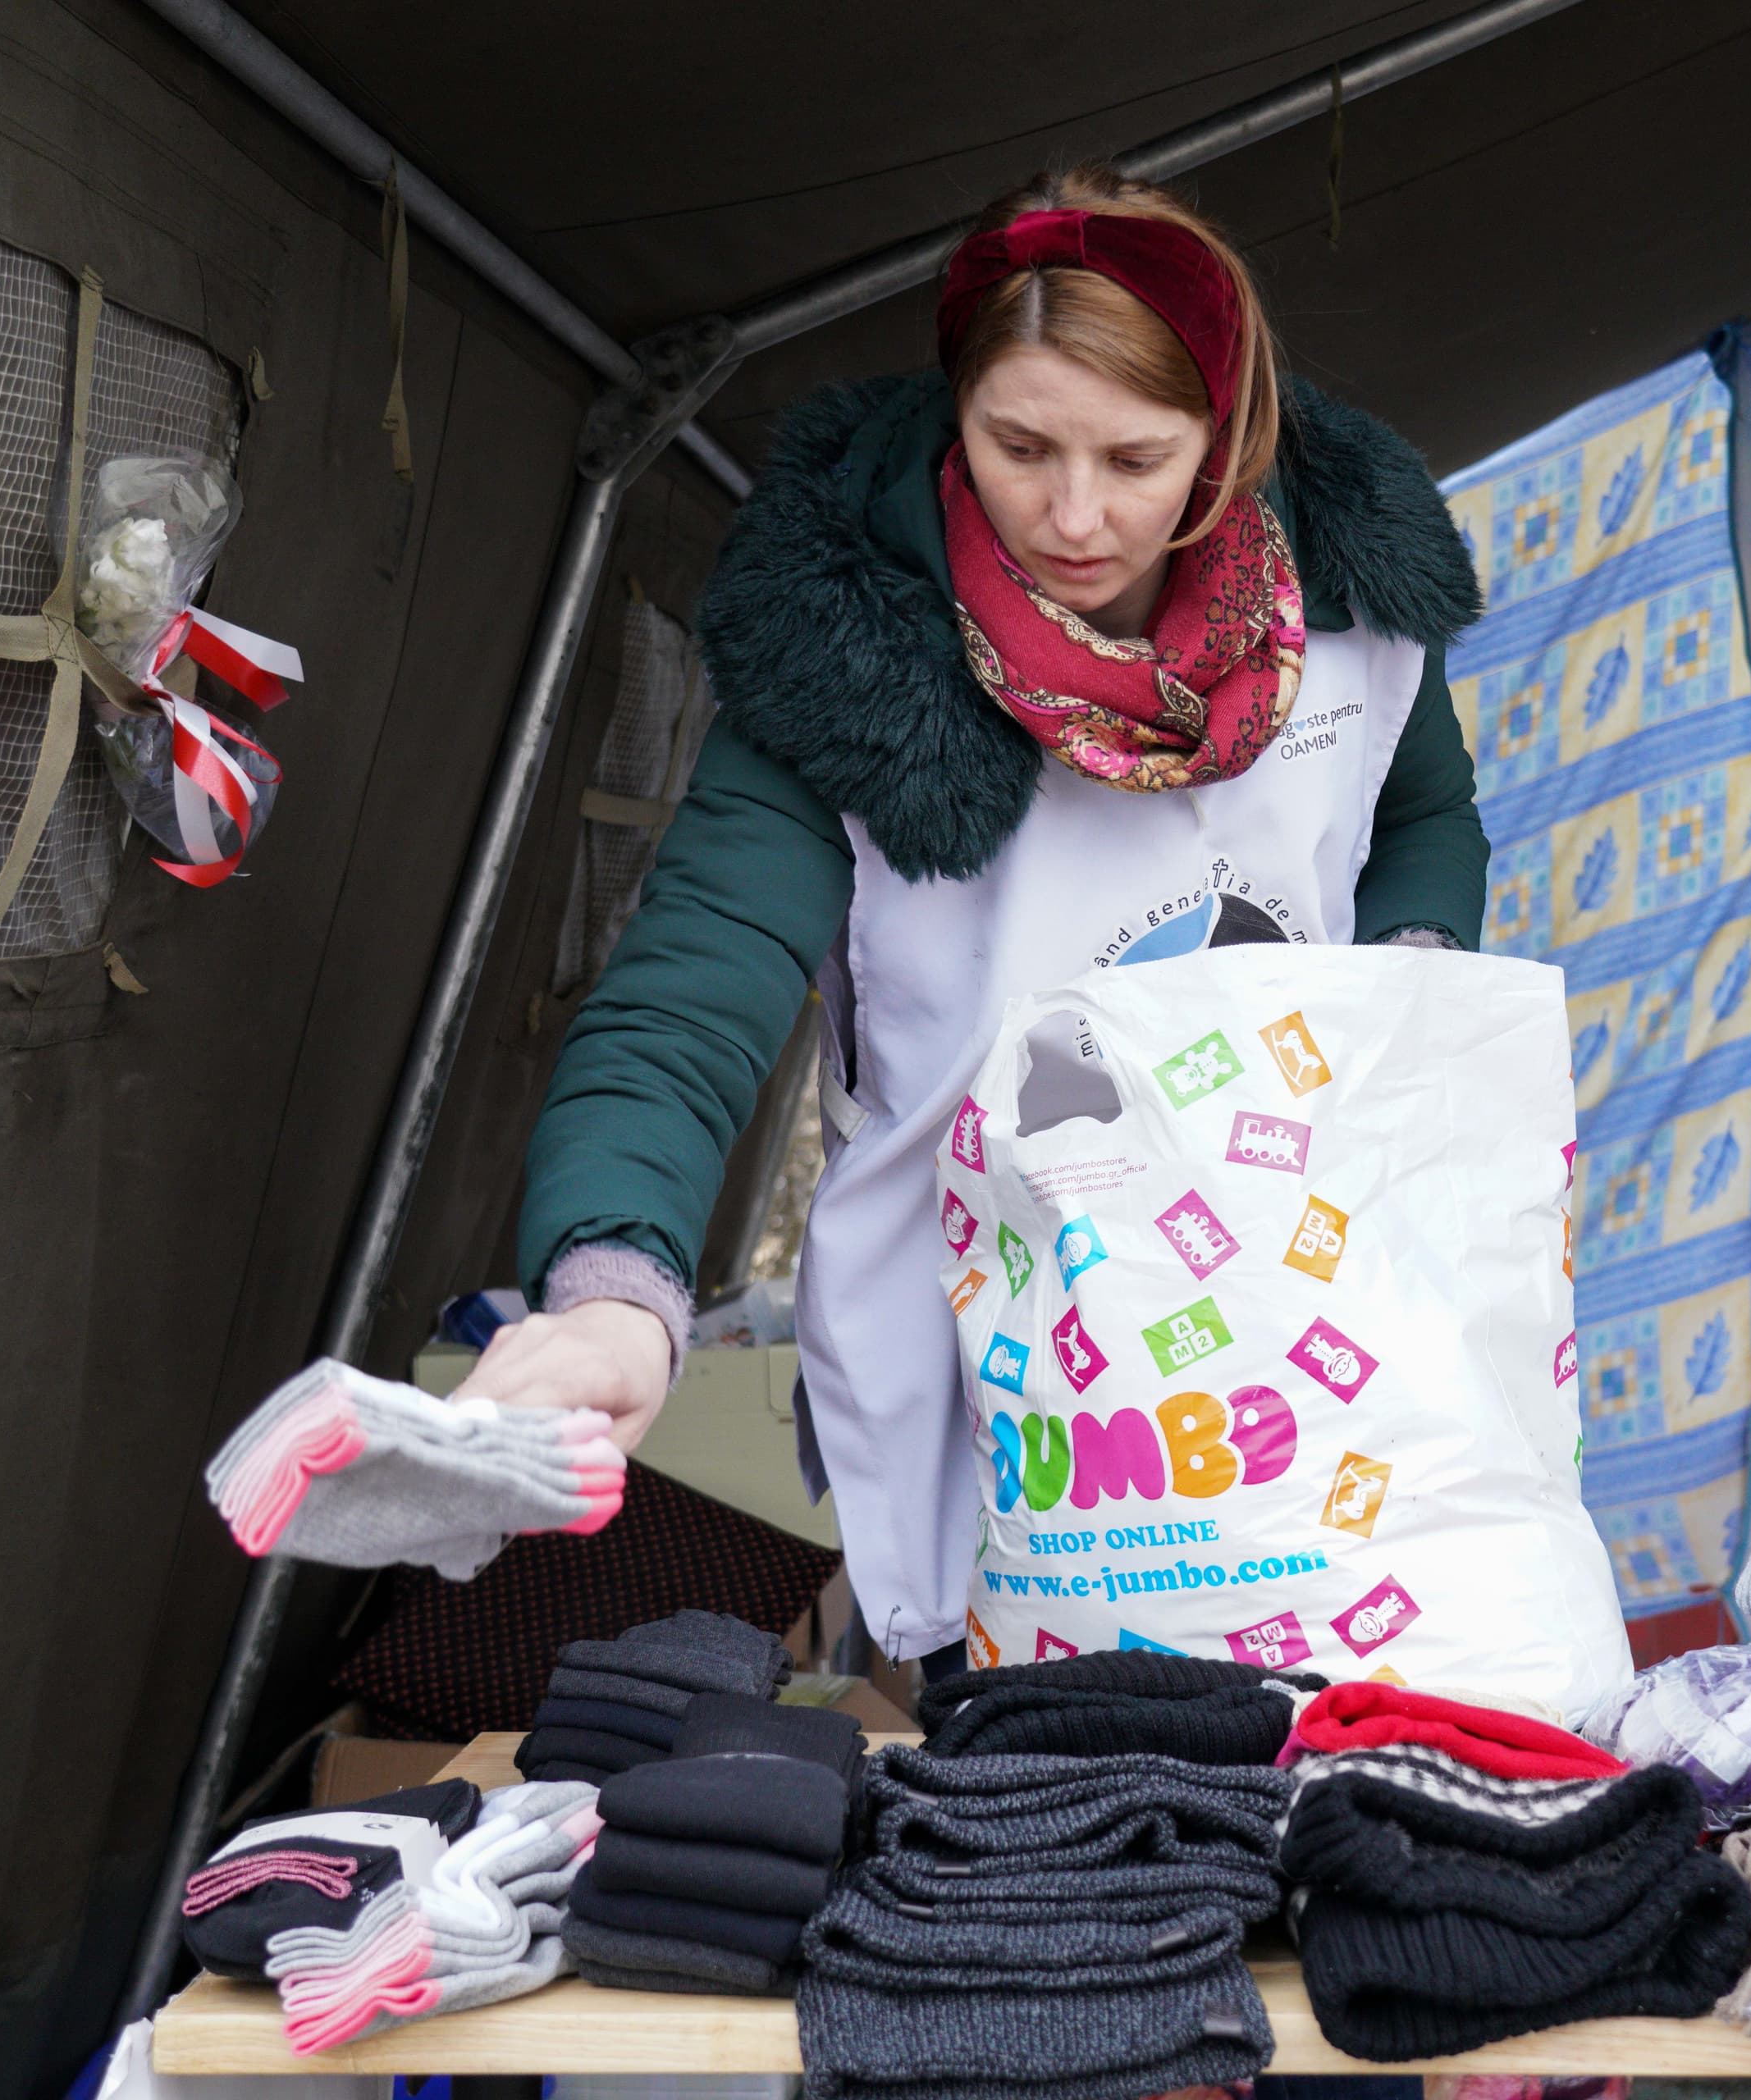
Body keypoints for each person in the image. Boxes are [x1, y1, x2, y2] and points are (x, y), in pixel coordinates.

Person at [457, 167, 1487, 1673]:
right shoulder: (843, 655)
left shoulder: (1351, 600)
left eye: (1138, 457)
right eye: (1020, 446)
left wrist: (1403, 998)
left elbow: (1421, 819)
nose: (1076, 514)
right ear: (958, 417)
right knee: (1031, 1804)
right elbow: (691, 998)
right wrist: (617, 1293)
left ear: (1232, 434)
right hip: (991, 1347)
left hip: (1293, 1285)